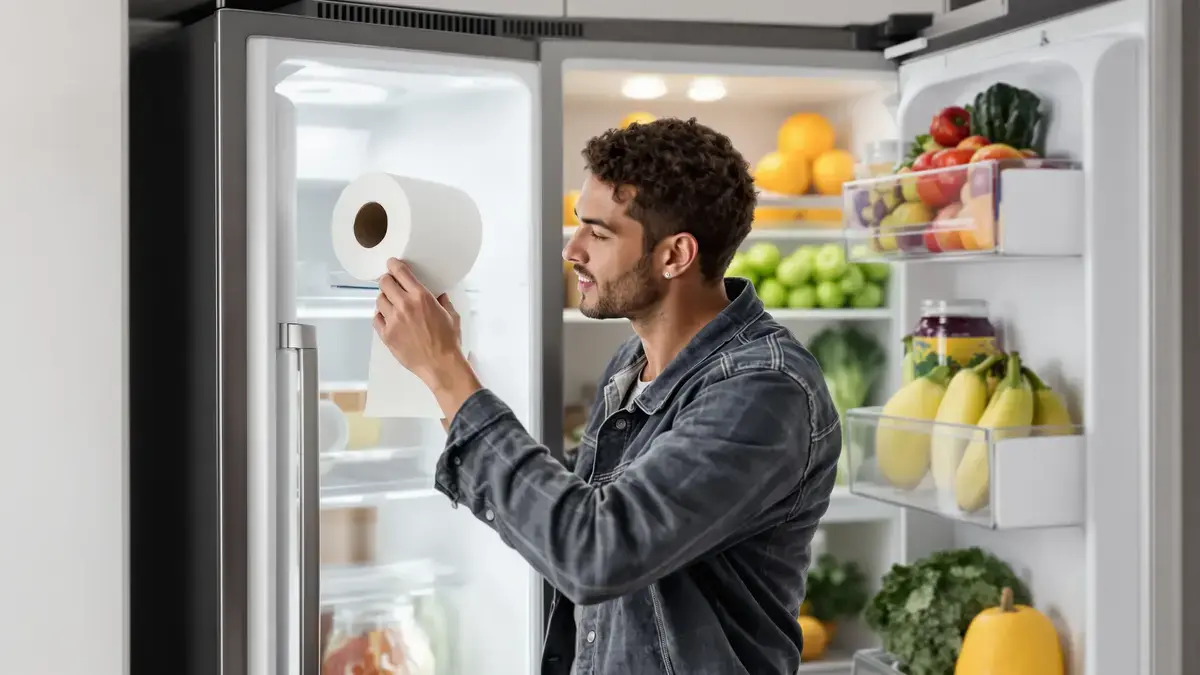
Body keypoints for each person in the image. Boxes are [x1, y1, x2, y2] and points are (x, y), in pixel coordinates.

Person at [372, 117, 841, 675]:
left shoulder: (763, 390)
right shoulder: (632, 363)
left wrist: (449, 375)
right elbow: (578, 516)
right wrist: (450, 384)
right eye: (579, 225)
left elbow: (595, 551)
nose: (572, 250)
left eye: (598, 233)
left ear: (675, 255)